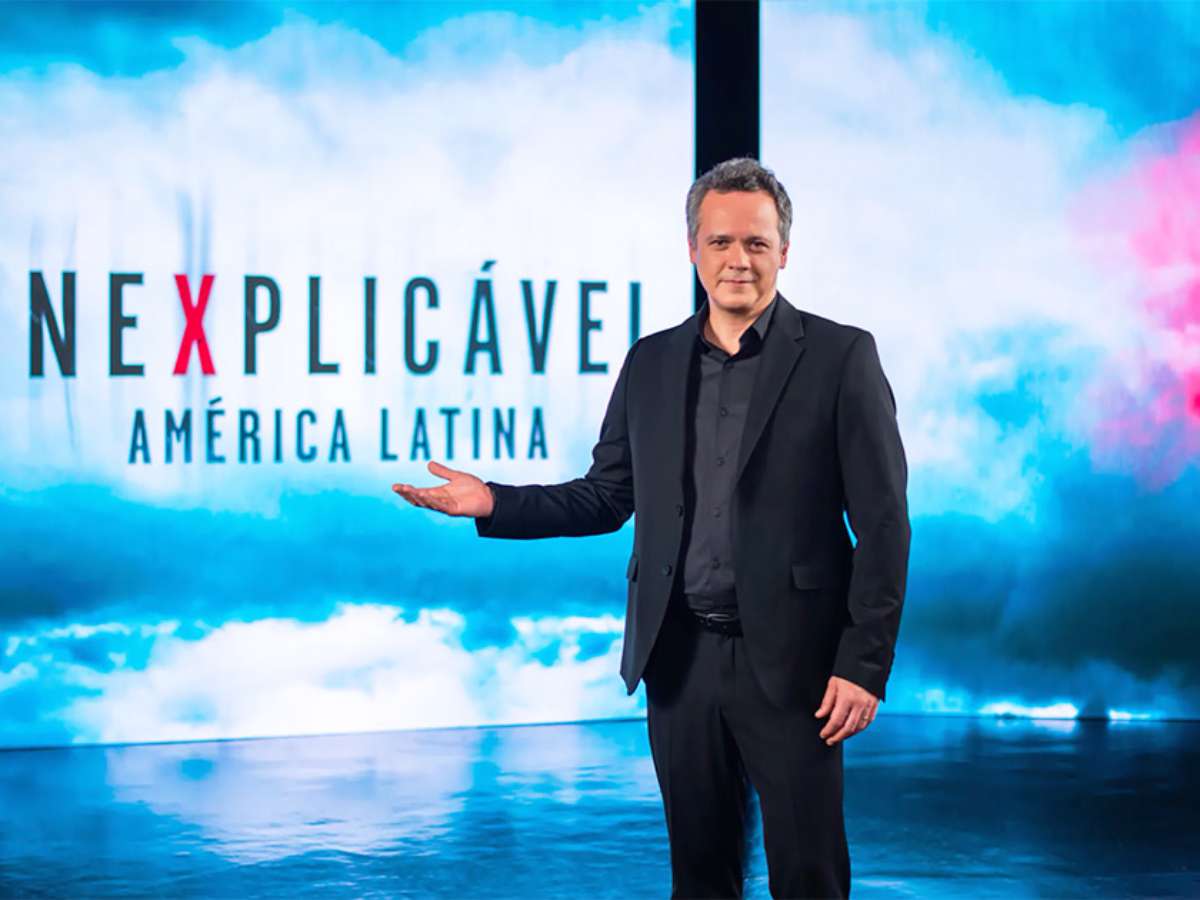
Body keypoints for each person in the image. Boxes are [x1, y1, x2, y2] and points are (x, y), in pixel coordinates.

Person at [393, 157, 910, 899]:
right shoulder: (651, 362)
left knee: (810, 879)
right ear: (693, 249)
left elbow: (884, 525)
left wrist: (863, 665)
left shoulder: (841, 356)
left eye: (757, 243)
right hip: (679, 660)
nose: (739, 260)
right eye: (721, 242)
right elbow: (605, 497)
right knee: (699, 878)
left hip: (796, 665)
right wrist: (495, 503)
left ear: (785, 251)